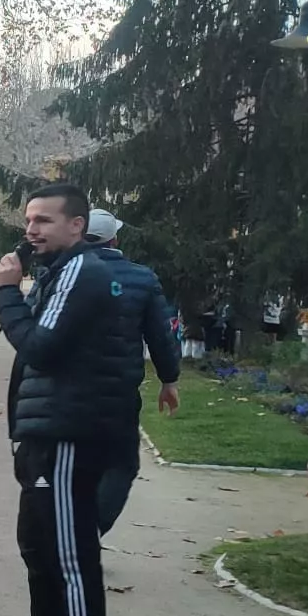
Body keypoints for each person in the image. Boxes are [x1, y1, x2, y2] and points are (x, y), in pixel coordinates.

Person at [0, 184, 161, 616]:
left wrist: (6, 292)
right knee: (39, 547)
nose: (31, 230)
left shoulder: (82, 272)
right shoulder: (67, 272)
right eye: (29, 220)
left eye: (44, 220)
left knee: (72, 558)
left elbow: (40, 347)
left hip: (69, 434)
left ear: (77, 227)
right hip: (51, 430)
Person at [85, 210, 180, 534]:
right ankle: (92, 527)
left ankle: (69, 529)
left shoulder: (61, 271)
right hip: (117, 389)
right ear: (115, 239)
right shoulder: (142, 278)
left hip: (65, 387)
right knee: (121, 464)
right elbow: (160, 336)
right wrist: (169, 379)